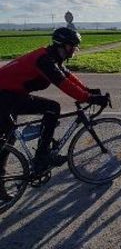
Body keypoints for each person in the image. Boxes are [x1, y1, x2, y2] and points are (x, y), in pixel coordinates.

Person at [0, 27, 108, 202]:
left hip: (11, 94)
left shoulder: (52, 57)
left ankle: (40, 157)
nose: (75, 50)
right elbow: (63, 84)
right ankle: (42, 157)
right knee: (50, 109)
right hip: (4, 96)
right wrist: (89, 98)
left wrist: (88, 91)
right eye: (73, 46)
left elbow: (68, 76)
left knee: (8, 139)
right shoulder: (45, 60)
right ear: (64, 45)